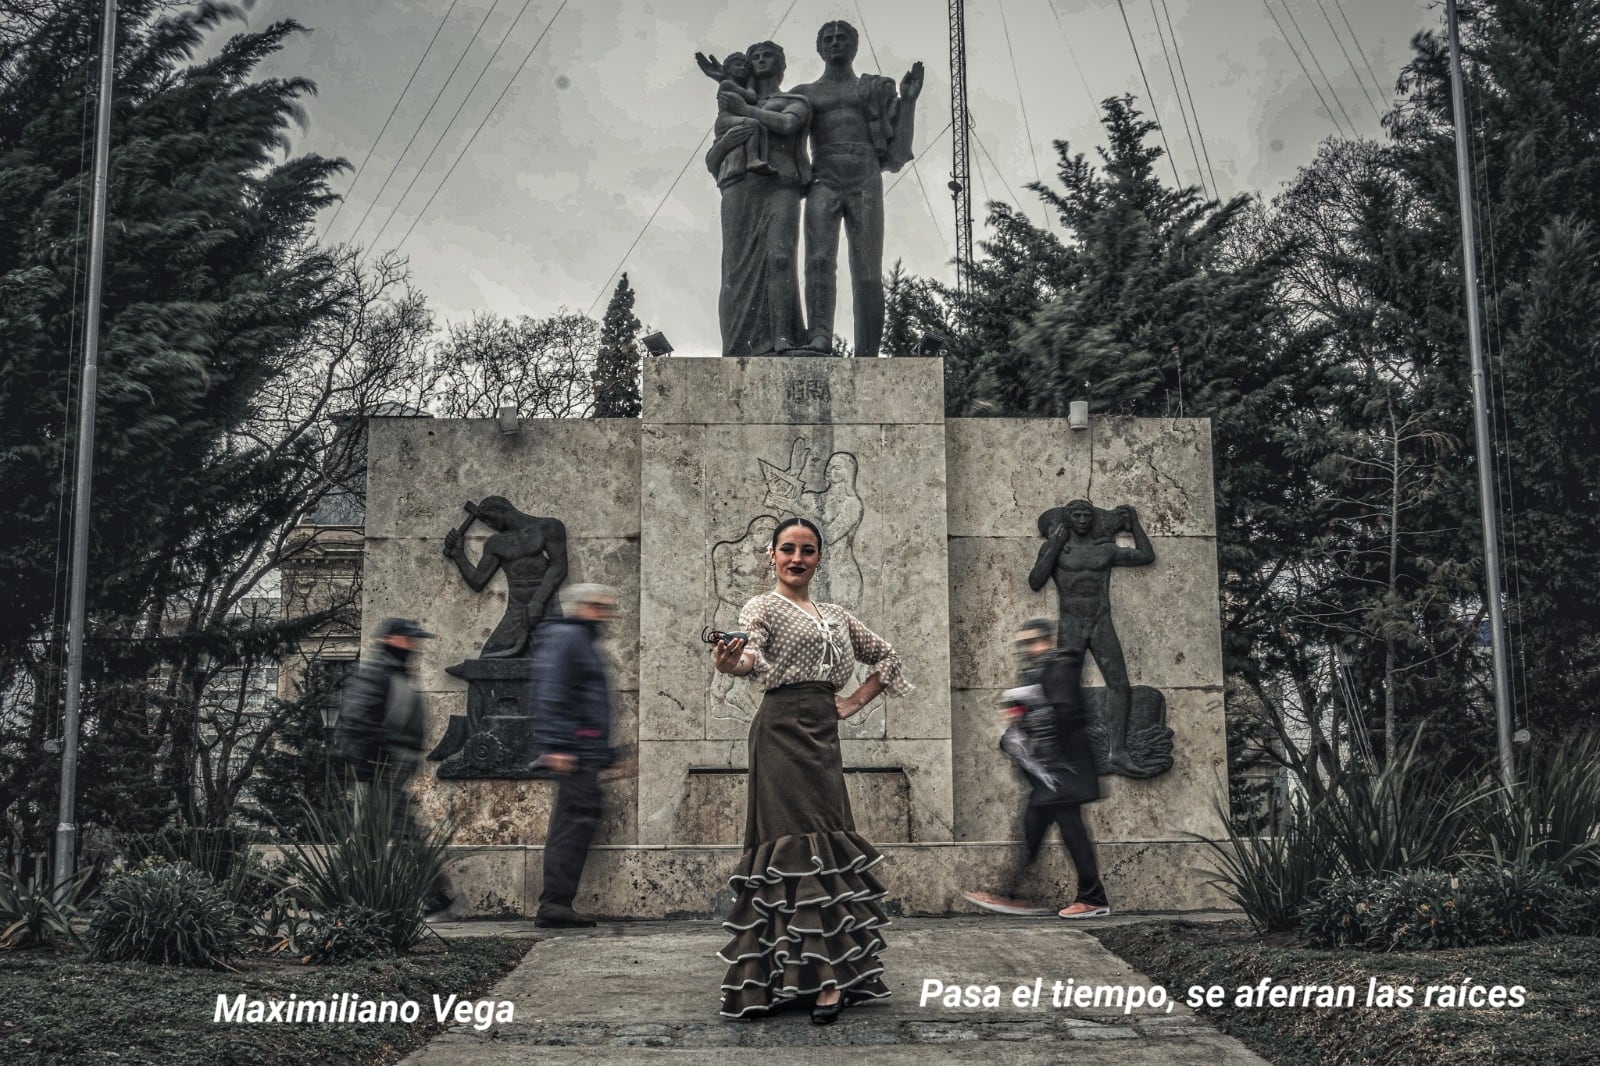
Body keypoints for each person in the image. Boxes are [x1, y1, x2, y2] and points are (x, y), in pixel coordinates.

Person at [710, 516, 912, 1024]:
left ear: (820, 557)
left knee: (824, 846)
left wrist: (853, 701)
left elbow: (887, 656)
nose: (796, 558)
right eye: (787, 549)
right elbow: (748, 654)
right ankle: (811, 981)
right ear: (772, 556)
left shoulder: (837, 615)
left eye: (807, 550)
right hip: (779, 731)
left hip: (823, 734)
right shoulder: (761, 607)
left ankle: (827, 974)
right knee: (789, 845)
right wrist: (728, 661)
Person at [790, 21, 922, 358]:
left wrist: (908, 103)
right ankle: (819, 337)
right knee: (818, 261)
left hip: (864, 177)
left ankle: (868, 351)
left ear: (854, 46)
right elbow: (776, 126)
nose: (835, 43)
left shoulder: (875, 89)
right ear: (819, 48)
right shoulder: (805, 93)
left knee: (867, 271)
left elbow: (895, 156)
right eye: (828, 39)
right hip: (823, 176)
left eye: (842, 38)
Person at [963, 618, 1110, 920]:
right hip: (1052, 772)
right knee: (1033, 829)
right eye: (1024, 643)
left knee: (1071, 831)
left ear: (1047, 640)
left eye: (1033, 642)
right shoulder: (1039, 671)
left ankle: (1092, 899)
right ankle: (1013, 896)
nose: (1028, 649)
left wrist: (1029, 722)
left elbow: (1066, 712)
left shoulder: (1060, 668)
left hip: (1063, 770)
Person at [333, 617, 460, 918]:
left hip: (391, 768)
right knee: (400, 834)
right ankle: (437, 897)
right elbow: (357, 719)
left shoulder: (398, 674)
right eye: (408, 639)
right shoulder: (378, 674)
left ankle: (345, 898)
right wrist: (368, 764)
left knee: (372, 834)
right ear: (392, 639)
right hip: (381, 767)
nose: (414, 645)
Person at [1028, 500, 1154, 772]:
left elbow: (1146, 555)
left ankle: (1118, 752)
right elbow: (1035, 580)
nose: (1083, 520)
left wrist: (1134, 525)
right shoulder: (1058, 549)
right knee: (1062, 690)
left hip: (1100, 621)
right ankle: (1061, 752)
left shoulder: (1104, 550)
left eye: (1087, 515)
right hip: (1071, 623)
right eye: (1077, 515)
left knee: (1119, 683)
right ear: (1068, 519)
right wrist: (1054, 545)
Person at [703, 39, 812, 357]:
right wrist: (726, 144)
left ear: (782, 65)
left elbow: (788, 124)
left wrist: (746, 111)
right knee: (735, 268)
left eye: (769, 56)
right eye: (756, 56)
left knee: (781, 258)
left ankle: (782, 338)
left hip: (782, 185)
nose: (762, 60)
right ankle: (737, 346)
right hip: (739, 186)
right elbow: (713, 161)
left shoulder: (795, 100)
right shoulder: (730, 104)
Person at [528, 584, 620, 929]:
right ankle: (554, 904)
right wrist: (558, 746)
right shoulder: (568, 638)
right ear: (579, 608)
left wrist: (605, 753)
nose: (604, 613)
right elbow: (552, 692)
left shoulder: (581, 640)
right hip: (573, 753)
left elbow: (588, 702)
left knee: (578, 820)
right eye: (598, 606)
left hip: (584, 751)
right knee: (572, 824)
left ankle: (557, 902)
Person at [443, 496, 568, 658]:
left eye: (489, 518)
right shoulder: (495, 543)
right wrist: (458, 554)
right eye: (485, 521)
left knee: (550, 661)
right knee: (489, 658)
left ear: (500, 509)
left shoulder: (549, 527)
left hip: (546, 607)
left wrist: (538, 602)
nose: (489, 524)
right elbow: (477, 580)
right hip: (516, 612)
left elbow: (559, 567)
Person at [695, 50, 775, 177]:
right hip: (725, 121)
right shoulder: (727, 84)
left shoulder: (732, 84)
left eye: (746, 68)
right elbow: (751, 97)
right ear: (728, 69)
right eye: (738, 65)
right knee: (752, 123)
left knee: (754, 125)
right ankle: (752, 160)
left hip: (733, 120)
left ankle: (756, 159)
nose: (743, 68)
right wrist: (750, 83)